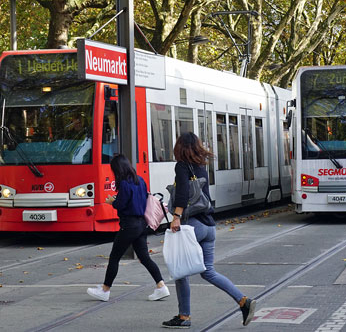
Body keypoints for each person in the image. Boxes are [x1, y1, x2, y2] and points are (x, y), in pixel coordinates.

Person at [162, 132, 256, 329]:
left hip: (193, 225)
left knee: (180, 271)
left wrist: (176, 217)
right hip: (209, 226)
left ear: (180, 147)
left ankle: (184, 316)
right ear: (196, 146)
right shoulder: (201, 166)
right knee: (209, 271)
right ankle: (242, 301)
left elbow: (183, 193)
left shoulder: (181, 166)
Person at [86, 154, 169, 302]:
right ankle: (161, 286)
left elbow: (122, 204)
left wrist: (112, 201)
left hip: (129, 225)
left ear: (117, 169)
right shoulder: (140, 180)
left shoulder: (124, 183)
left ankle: (105, 290)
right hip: (142, 224)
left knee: (114, 257)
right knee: (144, 257)